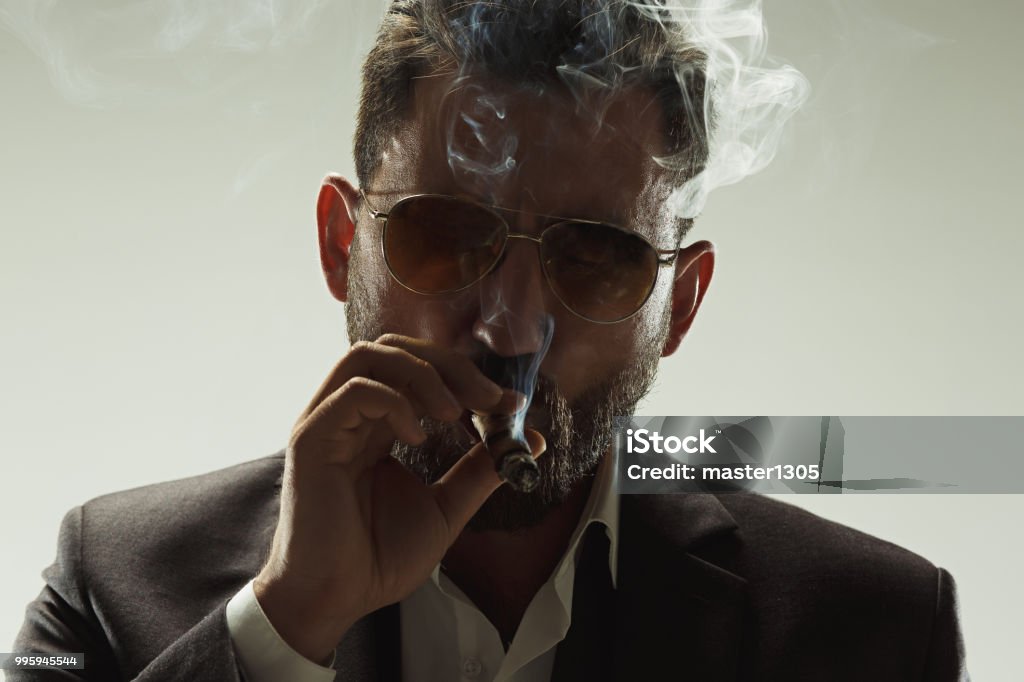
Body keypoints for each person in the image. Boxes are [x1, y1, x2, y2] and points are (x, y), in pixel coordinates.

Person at [11, 1, 967, 680]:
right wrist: (283, 629)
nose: (509, 323)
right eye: (446, 232)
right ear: (345, 245)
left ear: (679, 305)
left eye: (593, 257)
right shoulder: (110, 584)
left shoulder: (875, 630)